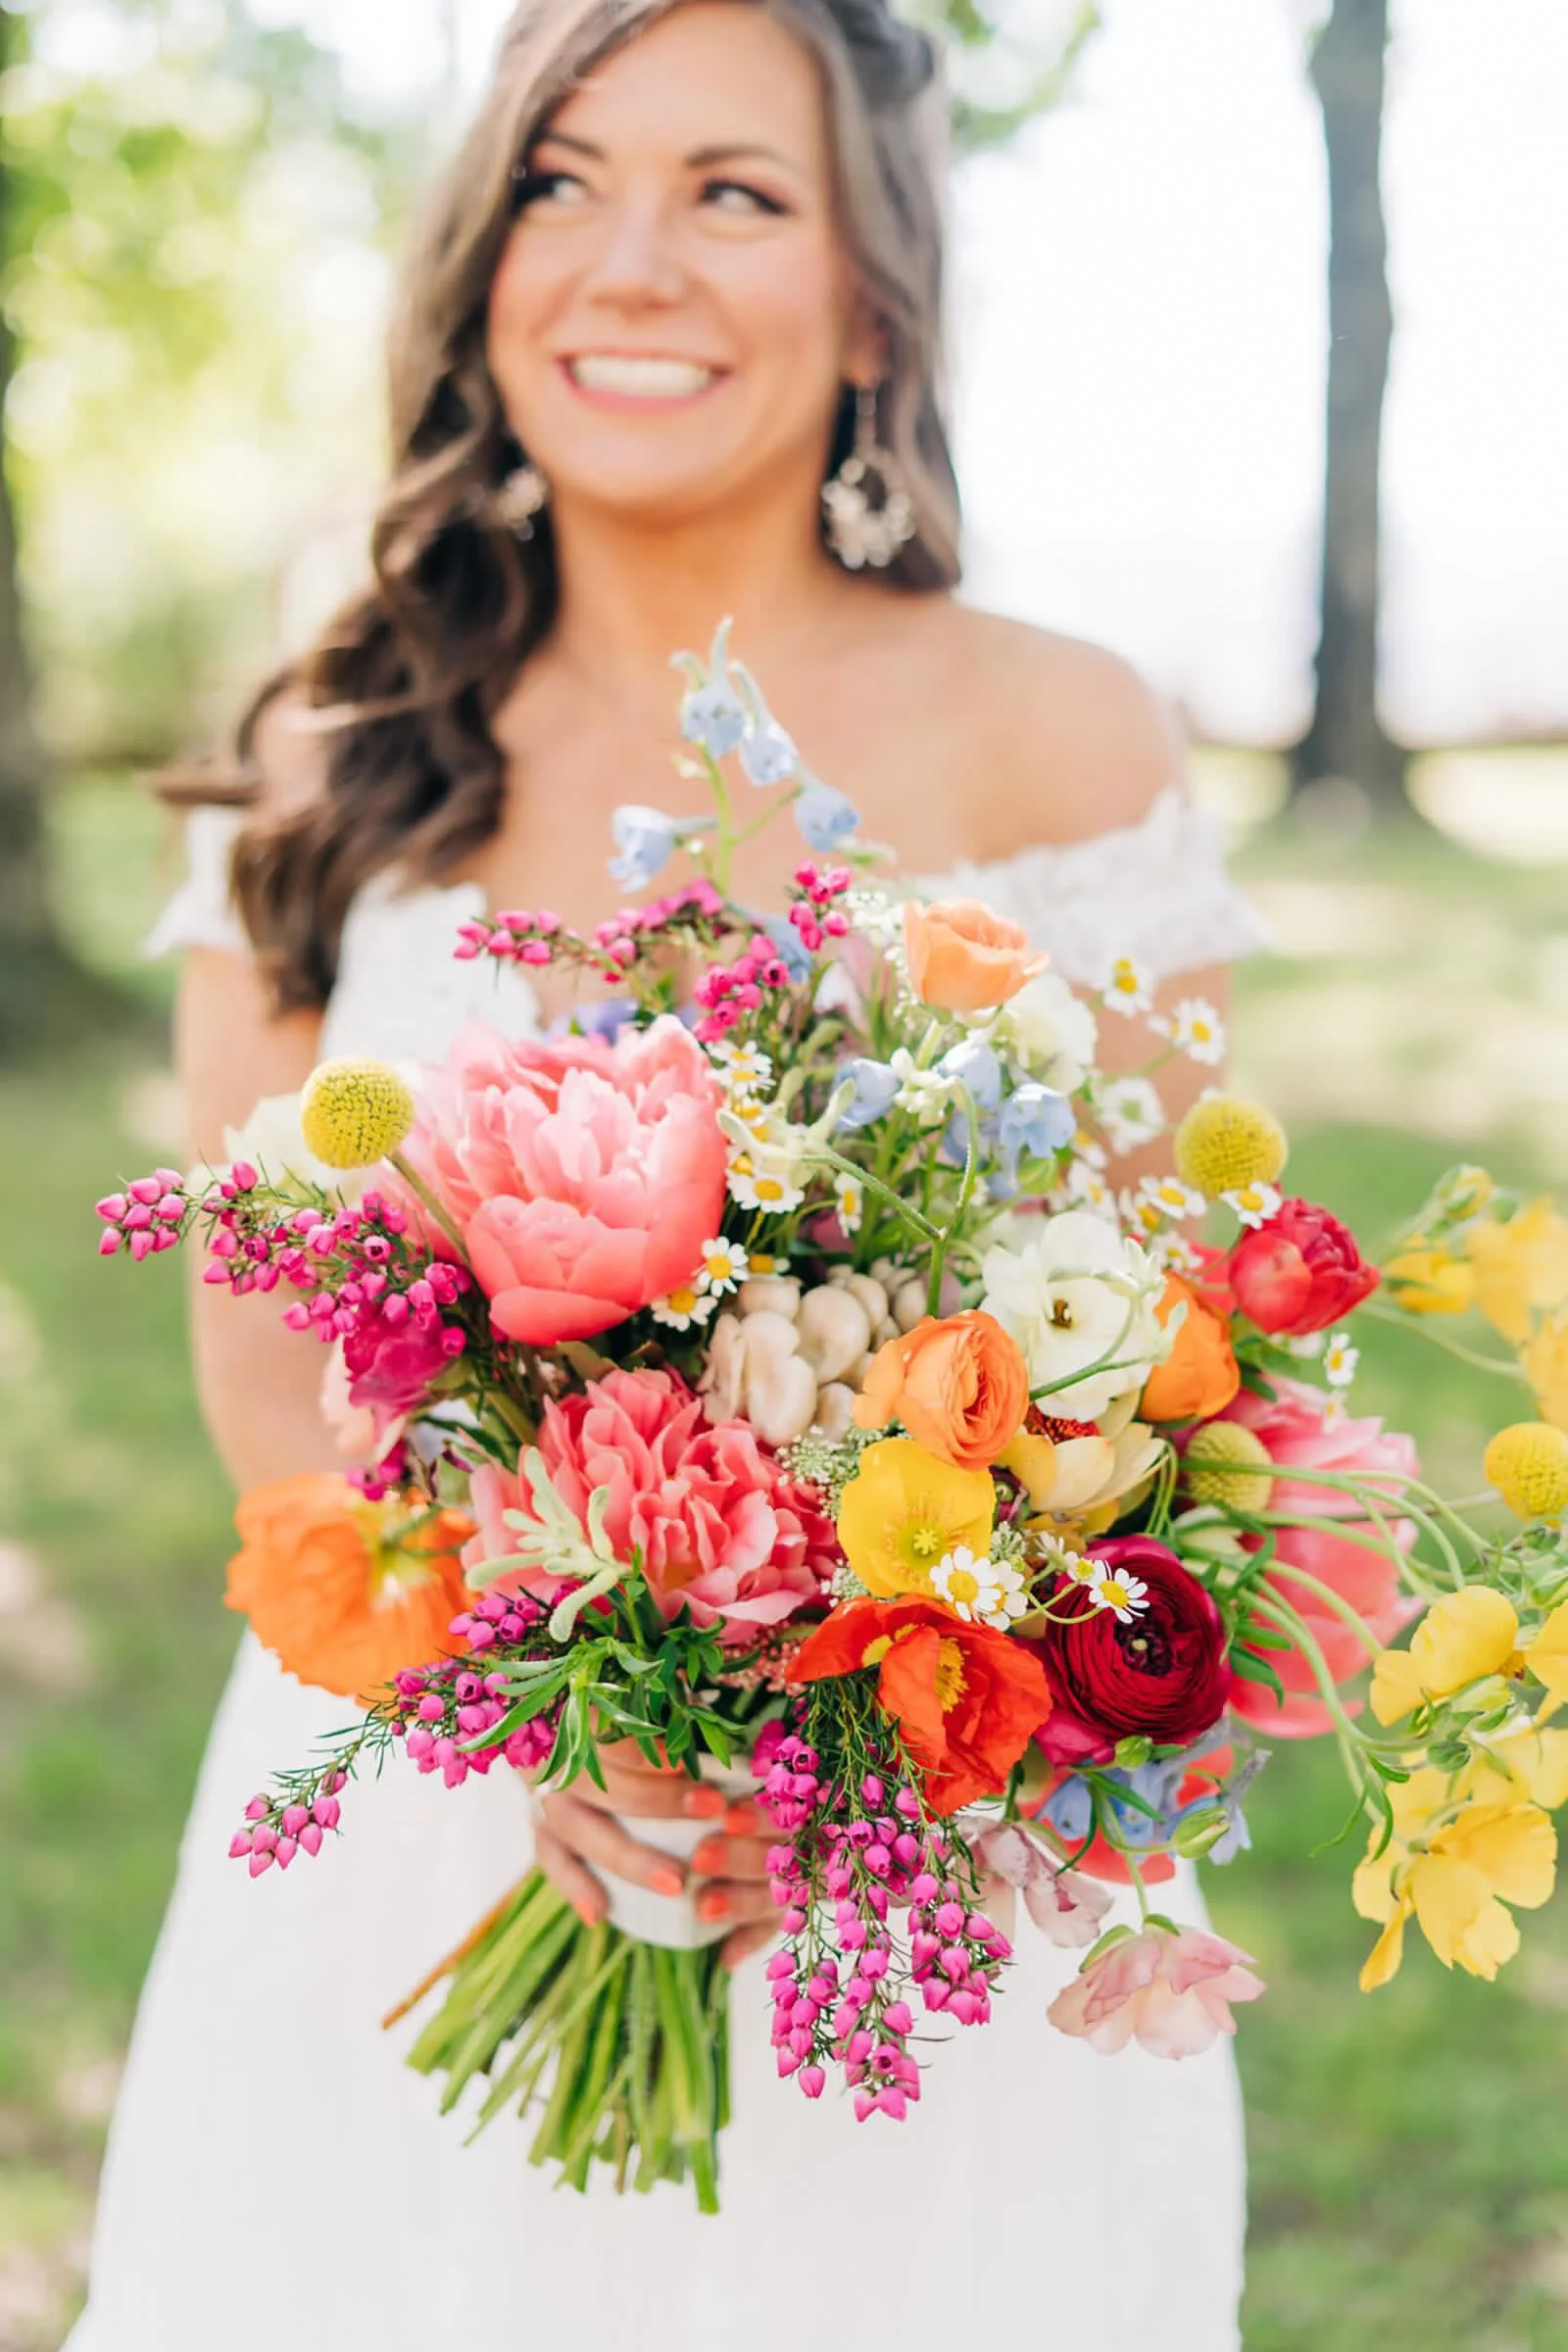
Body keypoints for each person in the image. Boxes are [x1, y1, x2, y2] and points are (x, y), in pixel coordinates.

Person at [69, 1, 1267, 2343]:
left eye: (734, 193)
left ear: (872, 297)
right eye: (557, 178)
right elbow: (252, 1399)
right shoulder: (332, 747)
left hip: (916, 1866)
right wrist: (576, 1736)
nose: (625, 263)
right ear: (480, 254)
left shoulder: (1058, 729)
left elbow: (1165, 1364)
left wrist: (842, 1701)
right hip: (416, 1830)